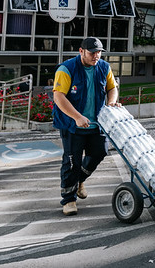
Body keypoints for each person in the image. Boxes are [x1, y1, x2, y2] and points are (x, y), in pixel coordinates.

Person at [52, 37, 120, 216]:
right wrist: (77, 117)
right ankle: (69, 200)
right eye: (92, 52)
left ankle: (80, 180)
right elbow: (59, 97)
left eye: (99, 52)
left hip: (96, 124)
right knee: (72, 161)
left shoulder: (104, 67)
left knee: (100, 152)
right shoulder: (66, 69)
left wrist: (112, 102)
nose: (96, 56)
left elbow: (112, 88)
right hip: (72, 125)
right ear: (81, 51)